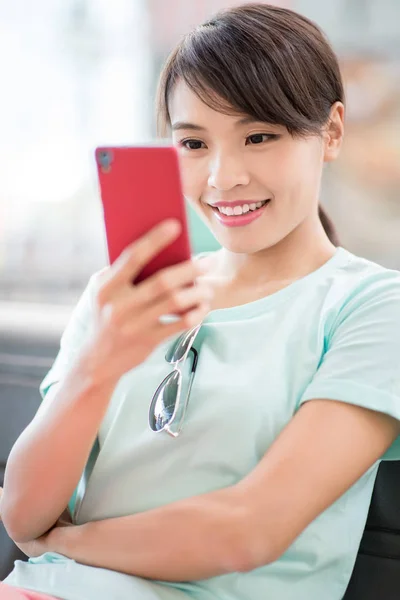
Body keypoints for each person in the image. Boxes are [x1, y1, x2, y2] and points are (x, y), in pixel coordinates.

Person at [1, 3, 400, 600]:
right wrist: (100, 362)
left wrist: (68, 543)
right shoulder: (120, 297)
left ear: (333, 132)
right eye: (192, 142)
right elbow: (24, 514)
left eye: (259, 136)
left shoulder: (373, 308)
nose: (222, 177)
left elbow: (248, 532)